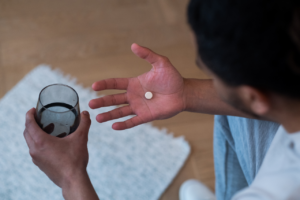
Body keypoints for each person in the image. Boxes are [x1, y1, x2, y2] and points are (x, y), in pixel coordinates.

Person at [24, 0, 300, 199]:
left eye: (213, 76)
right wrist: (186, 93)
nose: (211, 82)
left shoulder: (281, 189)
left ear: (255, 96)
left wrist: (70, 178)